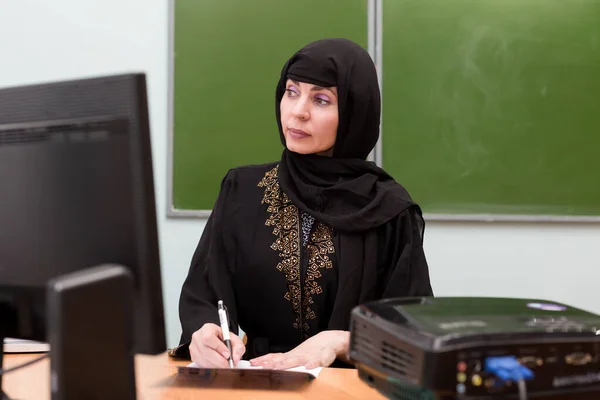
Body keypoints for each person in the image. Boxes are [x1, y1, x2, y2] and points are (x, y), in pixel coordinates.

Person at [175, 38, 433, 370]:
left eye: (322, 99)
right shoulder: (243, 190)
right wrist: (205, 332)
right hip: (259, 383)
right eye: (292, 91)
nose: (298, 111)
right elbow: (206, 294)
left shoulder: (390, 211)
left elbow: (412, 333)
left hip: (349, 386)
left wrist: (339, 341)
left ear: (355, 112)